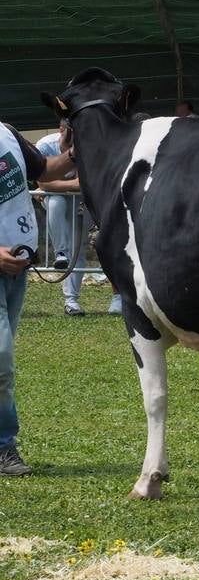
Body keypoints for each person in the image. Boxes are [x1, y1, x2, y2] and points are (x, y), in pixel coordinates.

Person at [0, 121, 77, 476]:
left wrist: (77, 149)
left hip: (17, 263)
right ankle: (4, 447)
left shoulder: (6, 132)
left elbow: (44, 170)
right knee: (0, 356)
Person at [35, 120, 102, 316]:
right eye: (69, 134)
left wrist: (51, 185)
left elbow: (82, 184)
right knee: (56, 202)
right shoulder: (46, 145)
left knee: (78, 247)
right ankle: (60, 253)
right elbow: (43, 182)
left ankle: (71, 301)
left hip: (81, 201)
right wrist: (51, 186)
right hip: (59, 200)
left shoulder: (87, 146)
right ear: (61, 130)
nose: (72, 141)